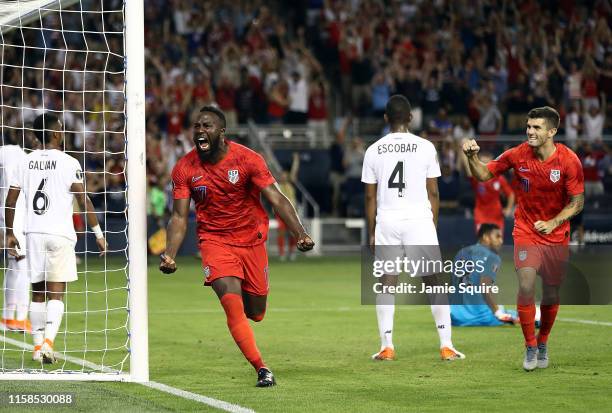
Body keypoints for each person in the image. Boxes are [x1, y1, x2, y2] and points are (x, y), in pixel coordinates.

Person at [159, 105, 314, 387]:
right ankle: (262, 368)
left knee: (256, 312)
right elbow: (180, 217)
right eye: (197, 126)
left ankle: (245, 293)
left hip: (251, 241)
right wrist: (170, 253)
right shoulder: (184, 168)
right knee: (231, 304)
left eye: (207, 126)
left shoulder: (247, 159)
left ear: (222, 132)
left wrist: (299, 233)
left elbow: (277, 199)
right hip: (214, 241)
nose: (200, 131)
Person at [463, 106, 584, 371]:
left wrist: (553, 222)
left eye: (537, 127)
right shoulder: (517, 155)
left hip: (556, 234)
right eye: (528, 126)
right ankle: (530, 345)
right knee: (527, 285)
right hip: (526, 230)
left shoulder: (568, 160)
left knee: (551, 292)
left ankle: (543, 341)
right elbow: (483, 174)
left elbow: (577, 202)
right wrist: (472, 158)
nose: (530, 131)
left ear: (552, 131)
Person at [362, 95, 465, 362]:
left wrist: (372, 230)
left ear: (386, 119)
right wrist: (431, 226)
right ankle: (446, 345)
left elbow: (370, 197)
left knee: (386, 283)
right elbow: (434, 192)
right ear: (411, 118)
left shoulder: (373, 150)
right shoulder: (426, 147)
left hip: (387, 220)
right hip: (419, 220)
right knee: (434, 282)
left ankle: (387, 346)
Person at [5, 113, 107, 364]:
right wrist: (98, 234)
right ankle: (49, 343)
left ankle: (38, 347)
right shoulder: (69, 162)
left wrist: (9, 233)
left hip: (33, 233)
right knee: (57, 293)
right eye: (60, 128)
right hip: (60, 234)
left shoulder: (25, 162)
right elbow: (83, 200)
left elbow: (10, 200)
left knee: (37, 293)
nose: (62, 132)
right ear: (54, 134)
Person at [450, 223, 518, 326]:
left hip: (456, 318)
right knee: (524, 314)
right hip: (481, 317)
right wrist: (498, 313)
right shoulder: (492, 257)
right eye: (497, 236)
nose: (501, 241)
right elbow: (484, 287)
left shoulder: (461, 253)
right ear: (486, 237)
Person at [0, 137, 31, 333]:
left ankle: (7, 317)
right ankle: (21, 318)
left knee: (14, 267)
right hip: (13, 215)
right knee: (24, 266)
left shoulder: (27, 157)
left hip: (13, 215)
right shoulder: (10, 151)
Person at [461, 150, 515, 234]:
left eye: (487, 163)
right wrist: (465, 153)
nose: (485, 166)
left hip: (496, 216)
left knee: (496, 242)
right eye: (483, 163)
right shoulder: (476, 178)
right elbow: (468, 169)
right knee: (484, 242)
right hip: (481, 215)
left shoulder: (499, 178)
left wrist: (508, 208)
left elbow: (511, 194)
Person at [277, 153, 299, 261]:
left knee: (292, 233)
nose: (283, 176)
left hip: (292, 212)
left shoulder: (290, 184)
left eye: (285, 175)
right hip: (281, 212)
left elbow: (294, 172)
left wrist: (296, 161)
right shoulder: (277, 186)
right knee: (281, 232)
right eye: (282, 175)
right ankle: (281, 253)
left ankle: (292, 251)